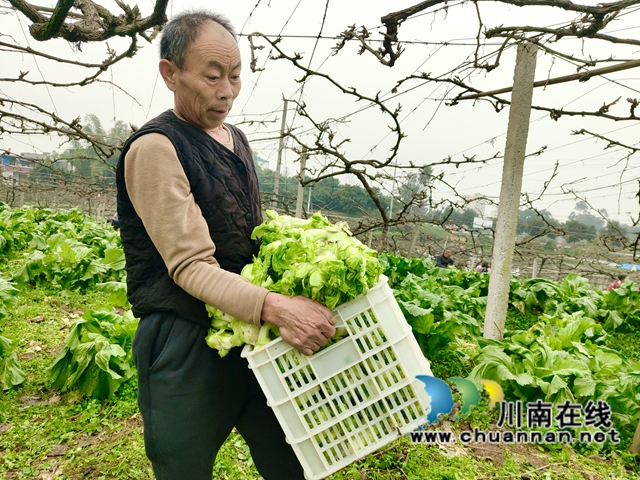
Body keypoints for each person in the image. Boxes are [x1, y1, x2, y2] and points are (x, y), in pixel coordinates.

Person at [115, 11, 336, 480]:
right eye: (212, 77)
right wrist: (277, 308)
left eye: (235, 77)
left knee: (293, 458)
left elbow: (247, 232)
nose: (227, 91)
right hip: (186, 336)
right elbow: (191, 267)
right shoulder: (155, 148)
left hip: (252, 331)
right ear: (170, 74)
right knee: (184, 468)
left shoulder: (236, 139)